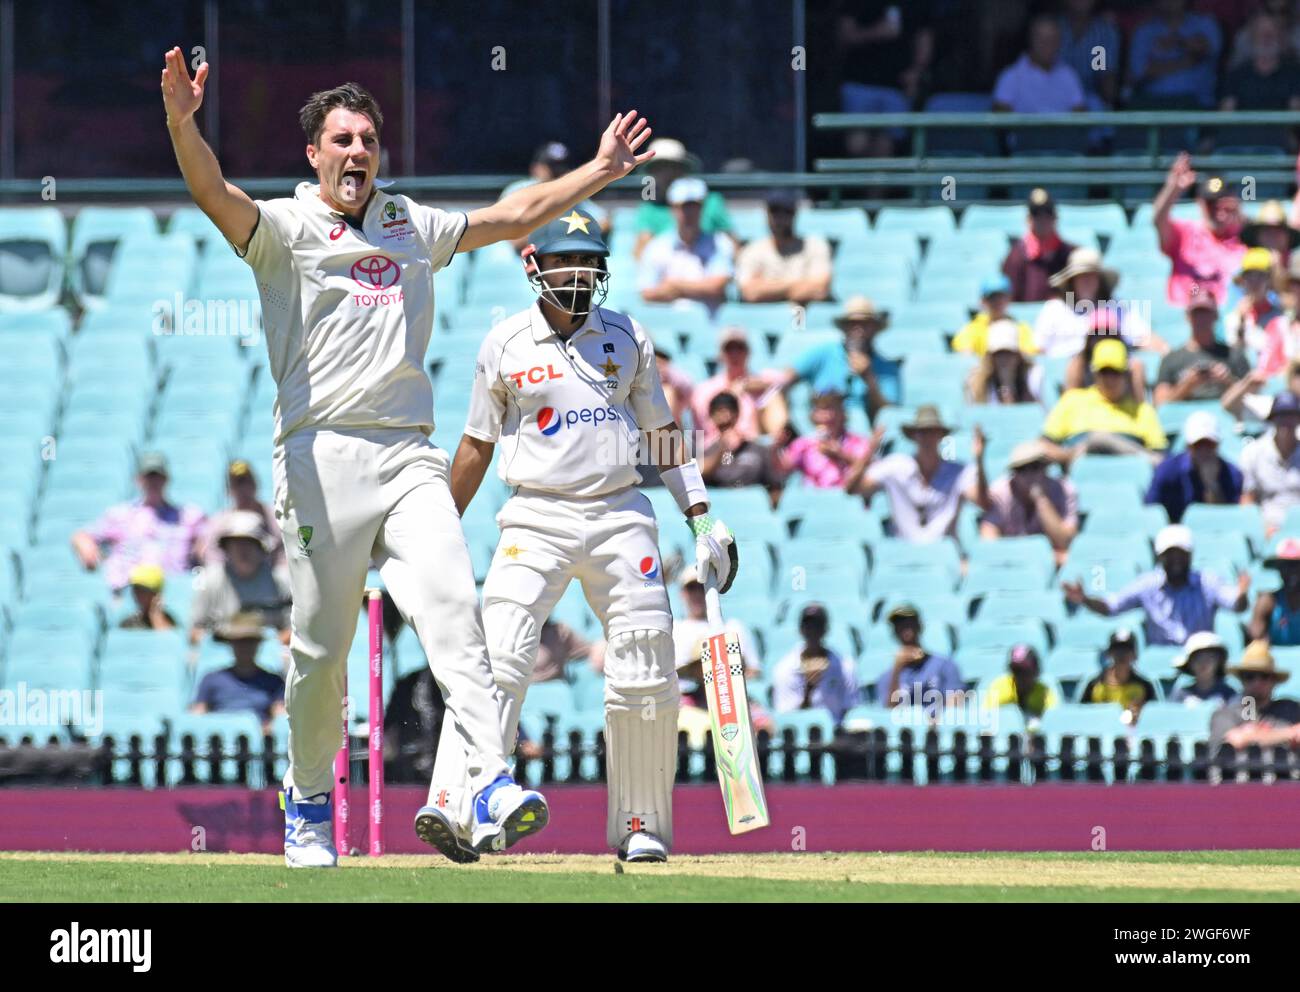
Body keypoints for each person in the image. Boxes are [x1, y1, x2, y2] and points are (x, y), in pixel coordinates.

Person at [163, 52, 652, 865]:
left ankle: (489, 778)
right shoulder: (283, 230)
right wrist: (183, 123)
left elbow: (512, 214)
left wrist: (601, 171)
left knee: (455, 610)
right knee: (320, 652)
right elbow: (214, 193)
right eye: (341, 140)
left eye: (369, 140)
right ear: (313, 153)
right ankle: (311, 798)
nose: (357, 153)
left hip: (408, 455)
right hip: (319, 456)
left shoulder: (409, 224)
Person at [448, 207, 738, 865]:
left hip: (619, 512)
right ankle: (471, 807)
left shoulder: (629, 336)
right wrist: (437, 526)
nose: (578, 275)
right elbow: (474, 445)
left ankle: (640, 823)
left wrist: (700, 516)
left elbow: (664, 433)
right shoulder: (504, 343)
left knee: (644, 663)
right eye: (563, 263)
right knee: (500, 654)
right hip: (535, 515)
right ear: (534, 266)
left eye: (590, 264)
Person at [1062, 524, 1250, 646]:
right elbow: (1111, 607)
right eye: (1170, 555)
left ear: (1191, 556)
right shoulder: (1147, 585)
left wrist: (1242, 594)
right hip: (1160, 658)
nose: (1176, 560)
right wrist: (1085, 600)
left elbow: (1236, 604)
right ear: (1160, 557)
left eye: (1181, 554)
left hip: (1200, 658)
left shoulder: (1207, 582)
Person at [844, 405, 987, 544]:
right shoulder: (894, 466)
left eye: (932, 432)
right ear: (913, 436)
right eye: (922, 432)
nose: (927, 438)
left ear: (941, 435)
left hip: (943, 552)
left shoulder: (959, 472)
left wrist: (979, 460)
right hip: (905, 553)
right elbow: (852, 489)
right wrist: (869, 452)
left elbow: (982, 502)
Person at [71, 451, 206, 594]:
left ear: (166, 479)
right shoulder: (121, 515)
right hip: (129, 590)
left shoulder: (186, 516)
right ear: (138, 480)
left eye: (158, 477)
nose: (153, 482)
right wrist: (87, 548)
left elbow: (209, 541)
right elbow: (81, 536)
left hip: (171, 592)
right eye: (148, 477)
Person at [775, 295, 899, 424]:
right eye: (852, 324)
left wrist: (869, 379)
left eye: (865, 324)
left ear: (875, 328)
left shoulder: (887, 368)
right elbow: (784, 381)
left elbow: (889, 415)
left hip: (862, 438)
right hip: (820, 430)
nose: (858, 329)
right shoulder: (822, 353)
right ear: (844, 327)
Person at [1041, 339, 1168, 463]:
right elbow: (1045, 445)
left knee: (1100, 439)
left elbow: (1159, 456)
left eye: (1115, 372)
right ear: (1094, 374)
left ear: (1126, 374)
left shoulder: (1142, 410)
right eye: (1104, 372)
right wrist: (1070, 456)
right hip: (1081, 467)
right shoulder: (1072, 401)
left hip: (1128, 470)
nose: (1110, 379)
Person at [835, 3, 933, 158]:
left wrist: (916, 71)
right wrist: (877, 31)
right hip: (859, 84)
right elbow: (844, 35)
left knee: (885, 146)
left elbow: (923, 36)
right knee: (857, 144)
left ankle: (877, 183)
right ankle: (857, 181)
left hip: (896, 88)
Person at [1154, 155, 1247, 308]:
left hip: (1228, 318)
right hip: (1186, 316)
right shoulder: (1185, 233)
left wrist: (1239, 213)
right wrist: (1173, 189)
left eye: (1223, 204)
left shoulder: (1242, 239)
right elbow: (1159, 221)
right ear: (1200, 203)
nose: (1218, 212)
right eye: (1211, 204)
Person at [189, 511, 293, 647]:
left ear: (261, 548)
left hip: (270, 659)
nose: (242, 551)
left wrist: (259, 643)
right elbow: (194, 632)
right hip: (221, 657)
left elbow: (292, 630)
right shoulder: (209, 581)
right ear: (226, 549)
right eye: (236, 544)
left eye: (249, 543)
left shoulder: (280, 582)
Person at [1035, 247, 1156, 360]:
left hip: (1110, 371)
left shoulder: (1116, 306)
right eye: (1081, 276)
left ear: (1100, 280)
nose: (1086, 281)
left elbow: (1145, 337)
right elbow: (1038, 350)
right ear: (1072, 281)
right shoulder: (1054, 309)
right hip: (1066, 375)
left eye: (1091, 275)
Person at [637, 177, 734, 313]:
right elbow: (647, 293)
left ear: (702, 208)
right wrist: (699, 289)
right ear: (672, 208)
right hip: (668, 326)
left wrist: (674, 286)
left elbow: (716, 287)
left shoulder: (720, 242)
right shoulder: (656, 246)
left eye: (694, 206)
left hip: (712, 328)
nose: (689, 213)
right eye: (683, 206)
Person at [630, 138, 732, 260]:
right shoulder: (648, 210)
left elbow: (731, 246)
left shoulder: (712, 202)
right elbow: (641, 255)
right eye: (660, 168)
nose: (667, 173)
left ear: (684, 169)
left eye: (673, 167)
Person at [980, 440, 1079, 564]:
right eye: (1022, 469)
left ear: (1045, 468)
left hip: (1051, 568)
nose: (1029, 474)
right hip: (1009, 564)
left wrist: (1040, 499)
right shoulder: (999, 492)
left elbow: (1065, 542)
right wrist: (1031, 556)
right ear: (1014, 473)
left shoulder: (1065, 490)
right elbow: (988, 542)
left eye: (1035, 467)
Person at [500, 140, 610, 251]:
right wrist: (549, 218)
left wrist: (572, 230)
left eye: (561, 168)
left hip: (559, 258)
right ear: (536, 168)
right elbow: (516, 242)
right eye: (552, 168)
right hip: (520, 258)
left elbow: (604, 222)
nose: (558, 173)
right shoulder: (518, 190)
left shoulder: (570, 191)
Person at [690, 326, 785, 446]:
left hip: (749, 447)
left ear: (748, 352)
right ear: (720, 354)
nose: (735, 354)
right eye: (729, 349)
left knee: (774, 397)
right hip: (716, 449)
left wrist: (745, 385)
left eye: (740, 348)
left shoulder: (759, 382)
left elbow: (782, 380)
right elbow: (703, 426)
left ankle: (775, 448)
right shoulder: (704, 389)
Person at [1144, 411, 1244, 523]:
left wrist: (1212, 486)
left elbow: (1227, 520)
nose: (1204, 450)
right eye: (1198, 445)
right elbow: (1152, 510)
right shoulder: (1167, 471)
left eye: (1209, 444)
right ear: (1188, 446)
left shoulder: (1232, 474)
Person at [190, 615, 286, 732]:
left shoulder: (274, 681)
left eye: (249, 641)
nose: (244, 647)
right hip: (219, 742)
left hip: (258, 744)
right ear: (231, 643)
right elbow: (198, 714)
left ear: (258, 644)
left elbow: (279, 715)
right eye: (239, 642)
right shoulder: (211, 679)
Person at [735, 189, 831, 304]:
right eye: (774, 211)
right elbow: (749, 293)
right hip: (765, 318)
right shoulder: (752, 250)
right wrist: (799, 284)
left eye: (786, 211)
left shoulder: (814, 246)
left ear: (795, 214)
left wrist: (765, 286)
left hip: (801, 318)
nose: (779, 218)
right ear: (767, 214)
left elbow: (820, 289)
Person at [1154, 292, 1250, 404]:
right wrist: (1188, 384)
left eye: (1206, 313)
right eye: (1196, 313)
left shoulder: (1234, 355)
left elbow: (1252, 397)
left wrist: (1227, 381)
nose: (1201, 319)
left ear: (1216, 316)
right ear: (1188, 316)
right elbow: (1160, 403)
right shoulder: (1171, 359)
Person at [1210, 641, 1300, 757]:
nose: (1257, 682)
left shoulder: (1291, 709)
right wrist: (1289, 733)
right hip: (1241, 774)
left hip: (1288, 774)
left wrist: (1252, 735)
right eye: (1250, 676)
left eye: (1264, 676)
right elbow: (1236, 740)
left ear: (1274, 681)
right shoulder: (1225, 713)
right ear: (1241, 680)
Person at [772, 603, 859, 723]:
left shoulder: (845, 667)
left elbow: (850, 711)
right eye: (808, 626)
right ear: (801, 629)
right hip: (800, 735)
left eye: (818, 625)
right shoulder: (785, 669)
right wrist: (809, 690)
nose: (813, 631)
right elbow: (787, 719)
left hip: (836, 733)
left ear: (826, 629)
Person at [1128, 0, 1222, 109]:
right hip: (1152, 102)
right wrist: (1186, 62)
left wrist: (1177, 42)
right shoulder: (1144, 30)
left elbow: (1203, 49)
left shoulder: (1205, 24)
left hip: (1196, 103)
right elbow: (1139, 72)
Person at [779, 390, 880, 490]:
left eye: (831, 409)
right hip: (814, 501)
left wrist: (841, 455)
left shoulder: (859, 442)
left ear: (842, 413)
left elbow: (873, 473)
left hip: (847, 500)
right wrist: (776, 447)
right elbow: (782, 471)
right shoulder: (803, 444)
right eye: (820, 410)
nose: (826, 416)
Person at [874, 604, 964, 715]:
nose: (906, 629)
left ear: (920, 626)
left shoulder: (945, 665)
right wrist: (897, 670)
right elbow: (888, 713)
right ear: (894, 632)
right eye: (900, 625)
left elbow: (955, 703)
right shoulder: (888, 677)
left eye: (910, 623)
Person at [699, 392, 785, 504]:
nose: (726, 417)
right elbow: (700, 477)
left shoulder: (758, 450)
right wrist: (722, 449)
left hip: (752, 511)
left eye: (730, 411)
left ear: (737, 414)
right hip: (720, 510)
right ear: (711, 416)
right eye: (719, 411)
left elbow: (775, 487)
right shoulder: (706, 453)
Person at [991, 16, 1087, 114]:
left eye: (1052, 40)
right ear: (1030, 40)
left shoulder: (1069, 75)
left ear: (1060, 42)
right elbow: (1000, 121)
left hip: (1062, 130)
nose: (1047, 45)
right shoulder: (1010, 76)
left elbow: (1080, 118)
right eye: (1042, 40)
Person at [199, 459, 284, 567]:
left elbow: (286, 558)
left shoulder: (277, 518)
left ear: (255, 484)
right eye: (237, 484)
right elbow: (207, 554)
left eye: (247, 482)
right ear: (229, 490)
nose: (243, 489)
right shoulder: (219, 522)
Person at [1002, 188, 1078, 303]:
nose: (1042, 220)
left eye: (1048, 214)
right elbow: (1011, 301)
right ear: (1028, 219)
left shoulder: (1071, 254)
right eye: (1036, 214)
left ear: (1055, 218)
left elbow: (1078, 298)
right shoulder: (1015, 257)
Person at [1240, 392, 1300, 536]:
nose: (1286, 421)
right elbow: (1248, 500)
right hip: (1269, 527)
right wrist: (1260, 529)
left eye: (1291, 415)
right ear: (1273, 419)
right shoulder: (1253, 453)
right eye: (1281, 415)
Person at [1218, 12, 1300, 115]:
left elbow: (1295, 119)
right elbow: (1226, 116)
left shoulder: (1295, 74)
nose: (1266, 38)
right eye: (1260, 33)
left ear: (1282, 38)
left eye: (1272, 33)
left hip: (1281, 131)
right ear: (1251, 38)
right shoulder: (1236, 75)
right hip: (1244, 130)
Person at [1079, 628, 1156, 721]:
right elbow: (1082, 716)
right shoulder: (1094, 684)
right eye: (1117, 649)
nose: (1122, 655)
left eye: (1126, 650)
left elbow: (1154, 717)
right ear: (1109, 653)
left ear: (1135, 654)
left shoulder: (1145, 686)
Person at [951, 275, 1037, 357]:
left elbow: (1028, 355)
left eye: (1001, 297)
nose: (997, 302)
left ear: (1009, 298)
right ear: (983, 301)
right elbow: (964, 351)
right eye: (992, 297)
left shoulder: (1021, 328)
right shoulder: (973, 328)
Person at [965, 318, 1045, 405]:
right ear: (990, 357)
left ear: (1018, 355)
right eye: (999, 354)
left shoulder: (1032, 377)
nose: (1004, 359)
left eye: (1009, 353)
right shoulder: (978, 384)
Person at [1057, 0, 1120, 107]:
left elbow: (1104, 74)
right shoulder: (1053, 28)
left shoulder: (1103, 32)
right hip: (1053, 94)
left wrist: (1108, 102)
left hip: (1089, 97)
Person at [1225, 248, 1285, 358]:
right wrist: (1241, 322)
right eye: (1249, 276)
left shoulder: (1281, 316)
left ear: (1269, 281)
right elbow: (1235, 356)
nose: (1254, 281)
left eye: (1260, 276)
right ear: (1242, 281)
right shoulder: (1234, 318)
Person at [983, 644, 1058, 720]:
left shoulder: (1044, 692)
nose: (1020, 675)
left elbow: (1053, 721)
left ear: (1036, 672)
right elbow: (988, 719)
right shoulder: (999, 687)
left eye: (1025, 671)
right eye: (1015, 670)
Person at [1248, 537, 1300, 645]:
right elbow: (1256, 638)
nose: (1291, 571)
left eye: (1296, 566)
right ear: (1279, 570)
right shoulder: (1267, 602)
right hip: (1276, 661)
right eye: (1285, 566)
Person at [1168, 631, 1237, 706]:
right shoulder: (1181, 694)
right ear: (1189, 663)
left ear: (1218, 662)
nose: (1203, 664)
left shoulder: (1228, 694)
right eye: (1198, 658)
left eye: (1209, 658)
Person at [118, 564, 179, 631]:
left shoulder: (168, 619)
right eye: (135, 589)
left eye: (142, 590)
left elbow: (168, 639)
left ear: (156, 594)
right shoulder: (128, 623)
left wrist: (156, 615)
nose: (137, 595)